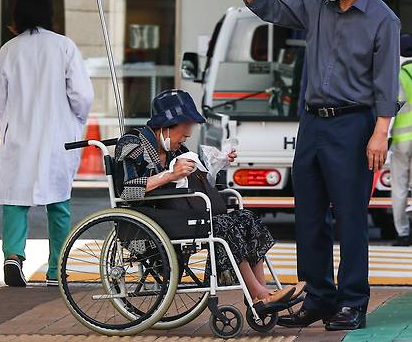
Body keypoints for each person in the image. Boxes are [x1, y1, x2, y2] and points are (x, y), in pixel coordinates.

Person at [227, 0, 400, 330]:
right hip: (311, 123)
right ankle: (320, 298)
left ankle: (353, 302)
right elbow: (269, 7)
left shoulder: (383, 20)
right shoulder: (315, 4)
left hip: (354, 125)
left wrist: (380, 132)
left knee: (351, 216)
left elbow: (386, 81)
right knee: (308, 214)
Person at [115, 89, 304, 309]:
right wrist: (170, 175)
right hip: (150, 217)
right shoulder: (132, 143)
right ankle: (259, 294)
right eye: (183, 133)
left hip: (177, 212)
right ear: (166, 126)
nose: (185, 139)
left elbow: (196, 186)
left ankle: (263, 292)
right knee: (222, 226)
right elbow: (126, 191)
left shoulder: (178, 151)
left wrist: (217, 164)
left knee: (246, 218)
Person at [0, 0, 94, 287]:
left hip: (19, 133)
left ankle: (13, 256)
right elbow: (82, 95)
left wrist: (5, 130)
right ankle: (56, 267)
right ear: (49, 13)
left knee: (15, 200)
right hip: (57, 135)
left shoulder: (9, 49)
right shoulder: (64, 46)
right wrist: (75, 119)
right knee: (59, 201)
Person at [390, 34, 412, 246]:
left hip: (402, 138)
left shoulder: (397, 75)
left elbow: (392, 108)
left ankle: (403, 233)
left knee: (399, 187)